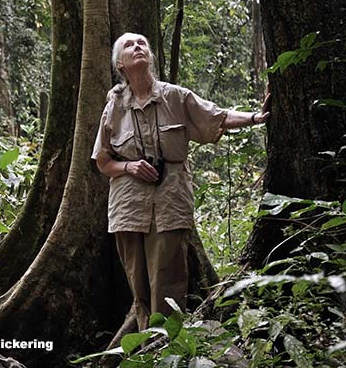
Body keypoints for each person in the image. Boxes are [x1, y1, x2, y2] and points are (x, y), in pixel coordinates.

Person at [91, 32, 270, 331]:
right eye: (129, 45)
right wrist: (129, 166)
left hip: (170, 201)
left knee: (168, 279)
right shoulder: (114, 107)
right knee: (139, 285)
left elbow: (218, 117)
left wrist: (256, 117)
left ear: (150, 56)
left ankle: (167, 344)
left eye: (142, 44)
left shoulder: (175, 96)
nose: (137, 47)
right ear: (120, 64)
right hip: (127, 207)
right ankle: (146, 343)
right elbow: (103, 161)